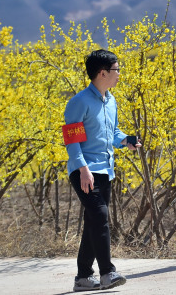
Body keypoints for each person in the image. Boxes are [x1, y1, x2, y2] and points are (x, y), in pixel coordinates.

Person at [63, 49, 141, 292]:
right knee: (100, 217)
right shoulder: (79, 102)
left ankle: (83, 277)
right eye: (116, 70)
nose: (119, 74)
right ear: (102, 72)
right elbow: (72, 141)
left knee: (94, 222)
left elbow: (113, 133)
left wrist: (126, 140)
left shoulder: (111, 100)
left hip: (105, 171)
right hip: (84, 170)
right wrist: (83, 169)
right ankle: (107, 272)